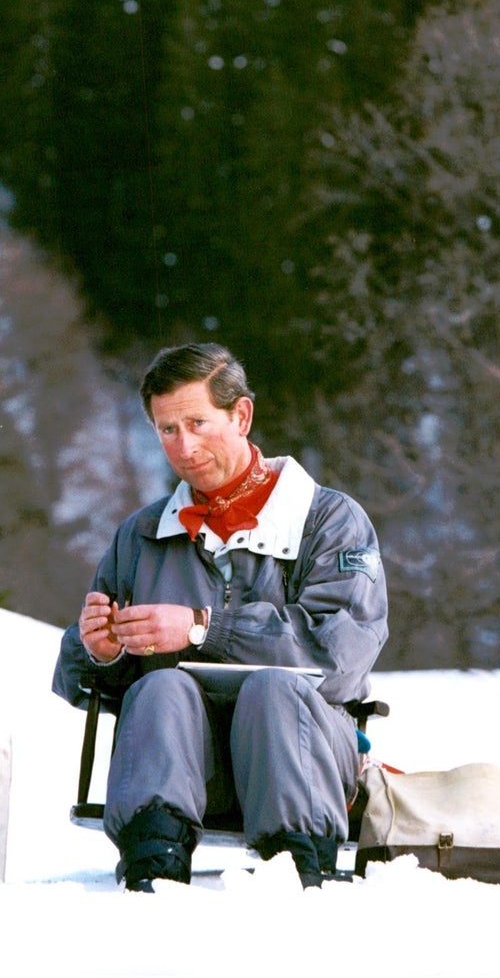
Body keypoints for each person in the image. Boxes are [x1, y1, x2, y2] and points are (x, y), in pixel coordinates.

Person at [53, 342, 388, 891]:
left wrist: (202, 629)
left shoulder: (331, 520)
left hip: (299, 764)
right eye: (166, 430)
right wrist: (99, 651)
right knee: (160, 689)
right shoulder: (139, 536)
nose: (184, 447)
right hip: (183, 772)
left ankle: (300, 872)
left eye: (198, 423)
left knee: (273, 690)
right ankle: (152, 875)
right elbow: (82, 679)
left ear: (241, 415)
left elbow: (341, 653)